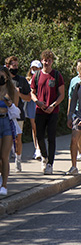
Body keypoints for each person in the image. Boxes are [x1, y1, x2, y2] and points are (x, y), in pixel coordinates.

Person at [30, 49, 65, 175]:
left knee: (51, 138)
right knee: (39, 136)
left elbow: (62, 94)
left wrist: (53, 105)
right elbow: (32, 92)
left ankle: (50, 163)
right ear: (41, 61)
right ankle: (44, 156)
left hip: (53, 111)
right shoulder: (37, 75)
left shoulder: (56, 75)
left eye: (49, 60)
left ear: (52, 62)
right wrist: (37, 102)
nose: (47, 62)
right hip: (40, 110)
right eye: (45, 60)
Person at [5, 56, 31, 172]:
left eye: (16, 65)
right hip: (4, 113)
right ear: (7, 67)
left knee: (17, 138)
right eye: (13, 65)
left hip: (18, 113)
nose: (16, 68)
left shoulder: (22, 80)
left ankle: (18, 160)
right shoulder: (4, 80)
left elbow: (29, 98)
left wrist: (19, 94)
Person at [0, 67, 19, 195]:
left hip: (6, 122)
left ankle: (4, 185)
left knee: (4, 156)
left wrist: (10, 104)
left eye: (2, 76)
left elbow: (17, 112)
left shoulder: (13, 91)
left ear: (7, 77)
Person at [25, 60, 41, 160]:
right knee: (34, 127)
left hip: (40, 103)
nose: (34, 70)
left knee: (40, 126)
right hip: (31, 104)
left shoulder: (42, 78)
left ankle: (40, 148)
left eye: (36, 68)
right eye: (33, 68)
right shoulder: (27, 79)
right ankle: (37, 148)